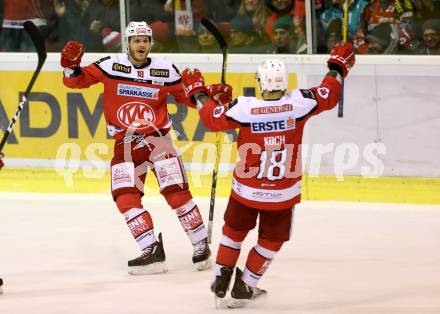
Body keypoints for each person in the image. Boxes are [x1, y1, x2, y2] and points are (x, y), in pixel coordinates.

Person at [180, 43, 355, 307]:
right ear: (285, 82)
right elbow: (329, 93)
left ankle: (220, 278)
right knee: (271, 240)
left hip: (246, 191)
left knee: (233, 232)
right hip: (282, 194)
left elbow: (211, 117)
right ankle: (247, 284)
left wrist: (199, 93)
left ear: (260, 82)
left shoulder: (243, 108)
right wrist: (336, 67)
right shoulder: (300, 104)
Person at [60, 21, 212, 275]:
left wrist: (206, 96)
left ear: (151, 43)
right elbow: (77, 81)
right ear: (127, 44)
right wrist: (70, 66)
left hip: (158, 141)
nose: (141, 44)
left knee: (176, 193)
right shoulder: (110, 65)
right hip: (126, 144)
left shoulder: (166, 71)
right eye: (136, 40)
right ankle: (150, 249)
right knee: (125, 196)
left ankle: (200, 244)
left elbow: (189, 98)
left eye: (145, 40)